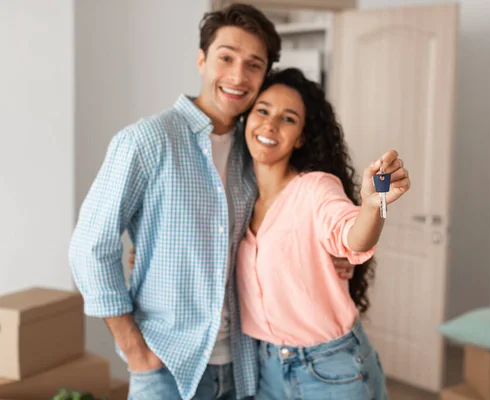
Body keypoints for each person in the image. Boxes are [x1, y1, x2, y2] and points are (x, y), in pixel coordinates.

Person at [69, 4, 355, 400]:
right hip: (166, 367)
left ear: (263, 76)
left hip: (241, 368)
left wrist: (330, 255)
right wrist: (135, 350)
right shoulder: (147, 141)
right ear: (202, 60)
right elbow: (89, 247)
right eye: (226, 58)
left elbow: (282, 225)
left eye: (254, 65)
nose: (238, 76)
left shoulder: (253, 151)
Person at [130, 69, 412, 398]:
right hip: (265, 368)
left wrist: (374, 205)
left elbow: (352, 237)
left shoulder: (315, 188)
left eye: (288, 118)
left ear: (302, 137)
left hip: (331, 369)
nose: (270, 124)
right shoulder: (237, 195)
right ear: (246, 120)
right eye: (262, 111)